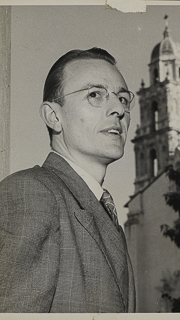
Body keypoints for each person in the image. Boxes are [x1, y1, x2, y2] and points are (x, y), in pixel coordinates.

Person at [0, 48, 136, 313]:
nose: (119, 109)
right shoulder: (32, 194)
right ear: (54, 116)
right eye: (94, 94)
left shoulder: (102, 211)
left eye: (122, 98)